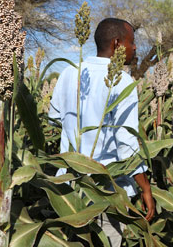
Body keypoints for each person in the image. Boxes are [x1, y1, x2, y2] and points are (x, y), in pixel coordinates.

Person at [49, 18, 155, 246]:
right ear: (117, 44)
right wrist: (145, 186)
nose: (135, 47)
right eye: (132, 42)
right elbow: (126, 144)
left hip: (69, 191)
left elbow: (54, 118)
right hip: (106, 192)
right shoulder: (123, 82)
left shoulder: (69, 72)